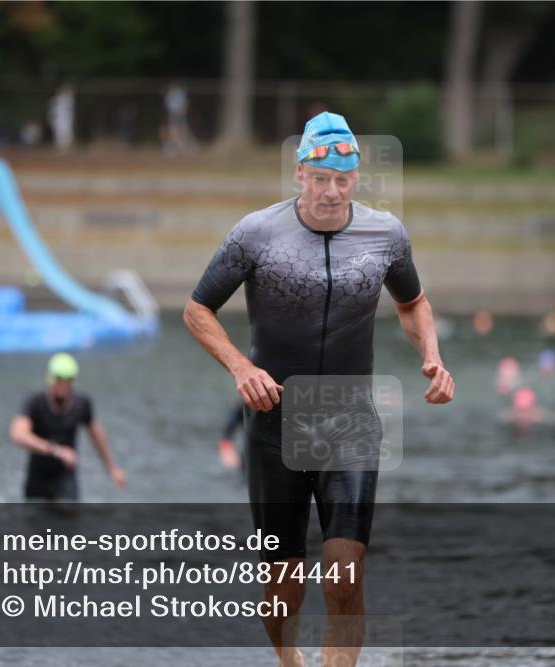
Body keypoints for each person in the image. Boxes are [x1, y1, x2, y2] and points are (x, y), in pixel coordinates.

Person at [183, 111, 455, 666]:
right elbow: (197, 309)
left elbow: (414, 303)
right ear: (299, 174)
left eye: (343, 179)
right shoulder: (256, 234)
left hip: (350, 419)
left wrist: (431, 355)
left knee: (343, 575)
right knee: (285, 588)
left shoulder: (386, 234)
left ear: (356, 177)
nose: (332, 191)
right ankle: (289, 661)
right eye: (320, 178)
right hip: (275, 422)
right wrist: (240, 368)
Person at [9, 353, 127, 500]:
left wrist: (112, 468)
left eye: (68, 381)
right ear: (50, 379)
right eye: (59, 380)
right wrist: (55, 450)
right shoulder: (35, 402)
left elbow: (96, 435)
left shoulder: (81, 403)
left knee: (69, 518)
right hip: (37, 477)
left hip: (65, 478)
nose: (62, 385)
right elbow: (18, 434)